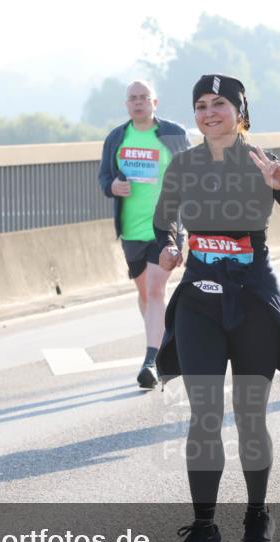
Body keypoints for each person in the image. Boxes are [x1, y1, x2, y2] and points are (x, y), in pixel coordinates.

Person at [154, 74, 280, 542]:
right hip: (198, 303)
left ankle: (257, 514)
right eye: (201, 105)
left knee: (251, 415)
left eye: (220, 104)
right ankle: (205, 529)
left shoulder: (263, 162)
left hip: (252, 300)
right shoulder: (183, 164)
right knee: (204, 415)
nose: (209, 113)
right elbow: (164, 221)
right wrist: (171, 246)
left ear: (240, 110)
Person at [98, 81, 191, 389]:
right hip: (131, 230)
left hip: (166, 227)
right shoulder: (117, 137)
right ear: (126, 104)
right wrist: (112, 186)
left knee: (154, 291)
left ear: (155, 102)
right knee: (146, 295)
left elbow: (192, 172)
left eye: (144, 98)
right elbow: (104, 178)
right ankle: (162, 341)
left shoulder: (173, 134)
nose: (138, 103)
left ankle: (151, 361)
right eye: (132, 99)